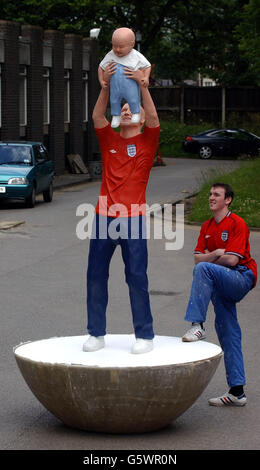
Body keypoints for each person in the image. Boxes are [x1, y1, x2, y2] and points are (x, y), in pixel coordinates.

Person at [83, 61, 160, 354]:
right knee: (95, 274)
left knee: (137, 276)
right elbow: (97, 116)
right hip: (104, 217)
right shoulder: (109, 141)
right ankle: (95, 333)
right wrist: (104, 89)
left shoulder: (147, 142)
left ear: (139, 120)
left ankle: (144, 335)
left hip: (133, 218)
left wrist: (142, 86)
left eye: (132, 109)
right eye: (124, 108)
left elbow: (153, 116)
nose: (126, 110)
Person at [182, 183, 257, 406]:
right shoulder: (206, 226)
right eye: (210, 194)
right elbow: (197, 257)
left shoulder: (237, 223)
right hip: (220, 280)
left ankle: (197, 325)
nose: (211, 197)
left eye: (217, 195)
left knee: (203, 269)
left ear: (228, 200)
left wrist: (208, 258)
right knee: (228, 333)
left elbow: (232, 260)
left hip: (241, 276)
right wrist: (215, 253)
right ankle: (237, 392)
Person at [98, 27, 151, 128]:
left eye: (121, 47)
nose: (117, 50)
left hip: (129, 84)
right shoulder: (111, 55)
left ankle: (136, 113)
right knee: (114, 100)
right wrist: (101, 80)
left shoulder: (135, 55)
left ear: (132, 44)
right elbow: (101, 67)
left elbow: (147, 66)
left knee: (133, 99)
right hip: (115, 85)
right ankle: (116, 116)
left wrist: (146, 77)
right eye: (114, 46)